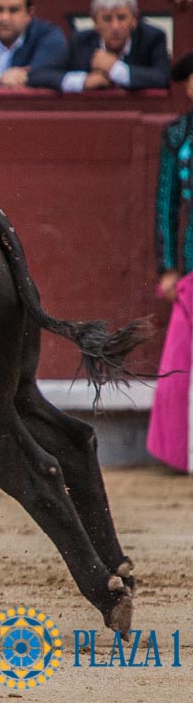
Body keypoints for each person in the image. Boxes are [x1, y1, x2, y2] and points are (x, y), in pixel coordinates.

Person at [149, 51, 193, 474]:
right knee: (179, 357)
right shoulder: (178, 134)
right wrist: (167, 266)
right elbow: (166, 204)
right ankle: (176, 453)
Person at [29, 0, 170, 93]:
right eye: (107, 19)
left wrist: (115, 69)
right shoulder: (81, 41)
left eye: (121, 18)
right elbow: (38, 74)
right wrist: (83, 81)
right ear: (95, 21)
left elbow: (163, 78)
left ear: (134, 19)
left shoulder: (153, 38)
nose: (115, 27)